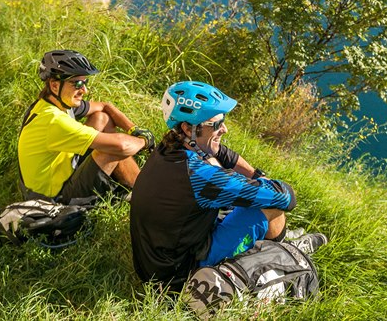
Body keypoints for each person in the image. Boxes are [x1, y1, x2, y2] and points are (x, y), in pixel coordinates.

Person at [129, 81, 325, 291]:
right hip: (180, 275)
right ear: (188, 128)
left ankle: (273, 241)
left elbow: (220, 152)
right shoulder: (201, 176)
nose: (225, 128)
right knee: (268, 206)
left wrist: (256, 175)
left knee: (235, 188)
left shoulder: (169, 148)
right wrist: (264, 184)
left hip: (153, 265)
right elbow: (286, 198)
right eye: (216, 124)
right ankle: (287, 249)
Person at [18, 50, 155, 203]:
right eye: (77, 84)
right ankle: (146, 194)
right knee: (112, 149)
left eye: (85, 83)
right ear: (55, 85)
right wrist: (144, 141)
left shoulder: (55, 102)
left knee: (101, 118)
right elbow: (122, 146)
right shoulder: (53, 120)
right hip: (52, 198)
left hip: (60, 171)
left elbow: (104, 106)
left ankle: (129, 184)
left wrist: (133, 129)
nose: (84, 90)